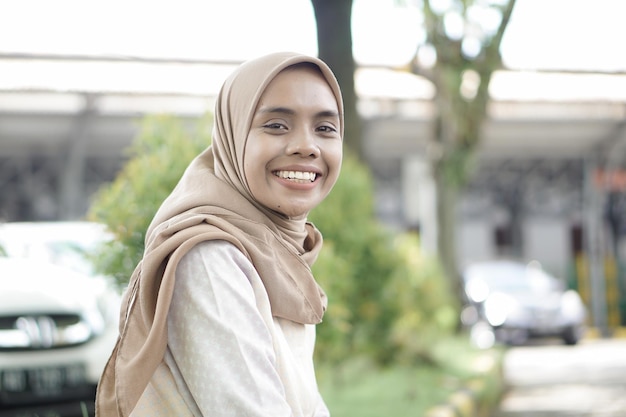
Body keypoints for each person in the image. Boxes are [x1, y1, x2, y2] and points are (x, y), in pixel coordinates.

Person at [95, 51, 343, 417]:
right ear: (233, 134)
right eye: (276, 125)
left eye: (324, 128)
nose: (306, 145)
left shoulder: (273, 250)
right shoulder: (210, 258)